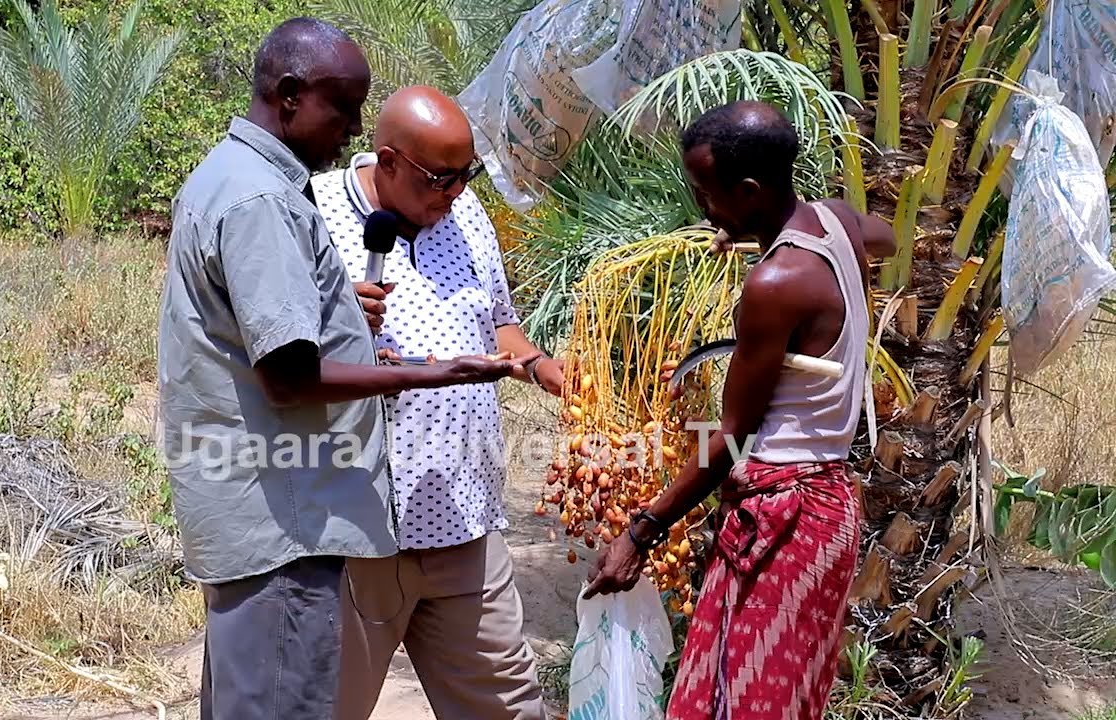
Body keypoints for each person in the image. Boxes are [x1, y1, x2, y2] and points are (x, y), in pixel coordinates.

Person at [157, 21, 537, 720]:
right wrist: (428, 374)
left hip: (431, 519)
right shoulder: (266, 200)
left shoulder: (246, 183)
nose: (352, 129)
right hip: (295, 521)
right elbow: (290, 376)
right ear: (290, 95)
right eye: (343, 109)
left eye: (466, 177)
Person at [582, 100, 897, 720]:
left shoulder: (774, 285)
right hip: (831, 506)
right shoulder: (835, 223)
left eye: (708, 195)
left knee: (748, 702)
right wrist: (757, 233)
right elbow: (883, 235)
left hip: (784, 514)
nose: (703, 209)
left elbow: (731, 436)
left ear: (751, 192)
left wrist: (641, 532)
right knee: (770, 695)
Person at [308, 85, 562, 720]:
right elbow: (278, 350)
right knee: (321, 706)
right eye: (439, 178)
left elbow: (499, 322)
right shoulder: (310, 208)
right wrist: (336, 315)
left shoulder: (465, 213)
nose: (454, 192)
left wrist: (540, 367)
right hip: (355, 535)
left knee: (509, 707)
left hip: (462, 520)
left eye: (465, 174)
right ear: (389, 161)